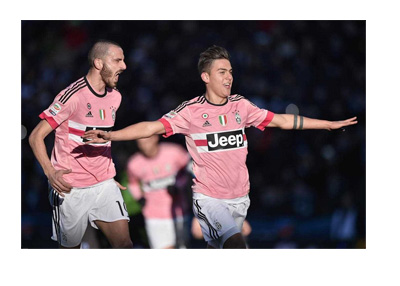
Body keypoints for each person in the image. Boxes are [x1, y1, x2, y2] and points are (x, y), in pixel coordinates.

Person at [83, 45, 358, 249]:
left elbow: (283, 120)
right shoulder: (190, 112)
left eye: (230, 72)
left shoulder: (242, 106)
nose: (229, 77)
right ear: (206, 77)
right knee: (237, 246)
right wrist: (112, 135)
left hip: (240, 199)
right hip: (210, 199)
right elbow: (151, 127)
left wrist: (326, 124)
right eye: (222, 72)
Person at [29, 40, 133, 248]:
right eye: (117, 60)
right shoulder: (72, 96)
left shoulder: (116, 97)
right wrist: (50, 173)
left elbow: (101, 140)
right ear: (98, 63)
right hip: (71, 187)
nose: (124, 66)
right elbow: (35, 136)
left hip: (104, 184)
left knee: (124, 245)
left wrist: (109, 173)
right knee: (71, 250)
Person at [127, 134, 192, 249]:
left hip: (179, 212)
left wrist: (179, 185)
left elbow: (190, 169)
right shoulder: (134, 163)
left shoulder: (174, 152)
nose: (144, 146)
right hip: (154, 217)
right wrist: (139, 198)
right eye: (140, 142)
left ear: (155, 138)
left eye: (146, 141)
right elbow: (133, 183)